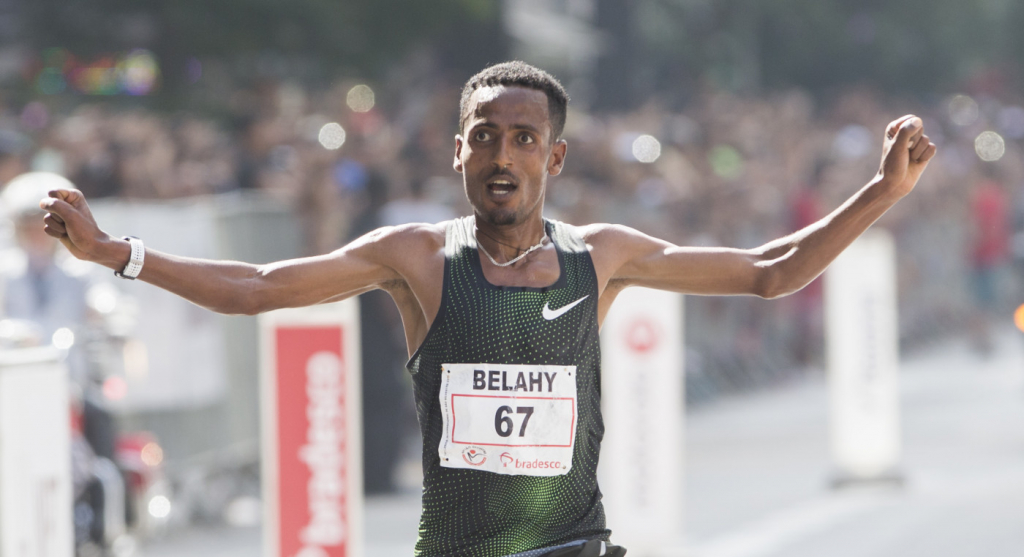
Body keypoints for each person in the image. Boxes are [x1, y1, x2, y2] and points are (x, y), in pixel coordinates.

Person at [39, 62, 936, 557]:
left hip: (573, 551)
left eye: (525, 138)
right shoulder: (418, 259)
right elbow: (261, 287)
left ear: (556, 157)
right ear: (458, 151)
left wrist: (879, 193)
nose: (503, 155)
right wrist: (119, 253)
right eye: (485, 137)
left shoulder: (602, 256)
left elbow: (769, 270)